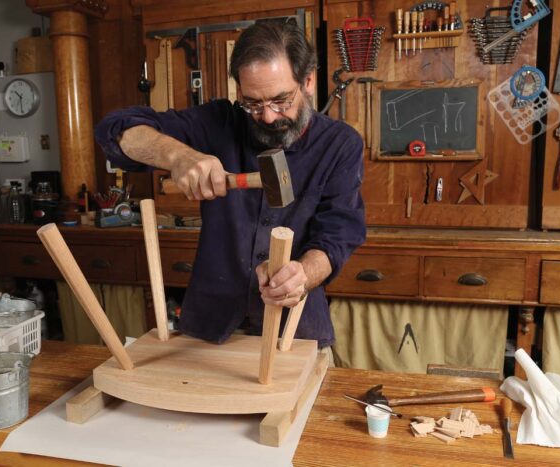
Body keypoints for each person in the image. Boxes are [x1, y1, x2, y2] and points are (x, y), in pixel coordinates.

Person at [95, 20, 365, 348]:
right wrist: (178, 156)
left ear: (307, 82)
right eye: (252, 103)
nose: (267, 117)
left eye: (281, 101)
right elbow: (117, 129)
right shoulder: (219, 122)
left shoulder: (340, 144)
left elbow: (338, 235)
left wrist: (302, 275)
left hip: (295, 330)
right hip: (209, 326)